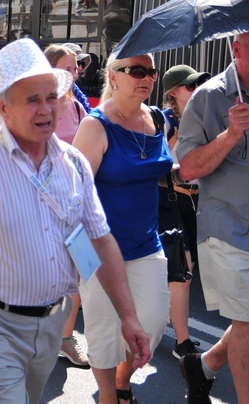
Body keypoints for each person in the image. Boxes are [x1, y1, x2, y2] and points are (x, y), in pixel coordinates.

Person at [0, 38, 151, 404]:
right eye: (32, 100)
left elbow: (100, 240)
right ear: (3, 108)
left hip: (51, 321)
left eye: (51, 97)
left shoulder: (74, 163)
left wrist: (129, 317)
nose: (46, 110)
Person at [176, 23, 249, 404]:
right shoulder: (209, 98)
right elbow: (188, 168)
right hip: (232, 230)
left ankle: (205, 364)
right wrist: (228, 135)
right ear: (236, 48)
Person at [72, 52, 171, 404]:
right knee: (101, 331)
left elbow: (162, 168)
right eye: (137, 71)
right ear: (113, 76)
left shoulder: (158, 119)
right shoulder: (95, 125)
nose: (146, 77)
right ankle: (109, 397)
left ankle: (122, 378)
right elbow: (75, 194)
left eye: (151, 72)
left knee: (154, 325)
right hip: (96, 248)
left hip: (146, 243)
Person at [42, 44, 89, 367]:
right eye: (67, 68)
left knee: (84, 271)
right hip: (44, 204)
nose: (74, 73)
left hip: (78, 203)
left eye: (76, 68)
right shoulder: (40, 105)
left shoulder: (77, 105)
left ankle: (64, 338)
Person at [159, 65, 209, 360]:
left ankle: (161, 315)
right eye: (190, 86)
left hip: (197, 201)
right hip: (171, 200)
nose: (196, 90)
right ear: (172, 93)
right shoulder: (165, 121)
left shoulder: (203, 117)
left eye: (198, 85)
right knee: (184, 271)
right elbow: (154, 164)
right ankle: (182, 341)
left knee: (183, 272)